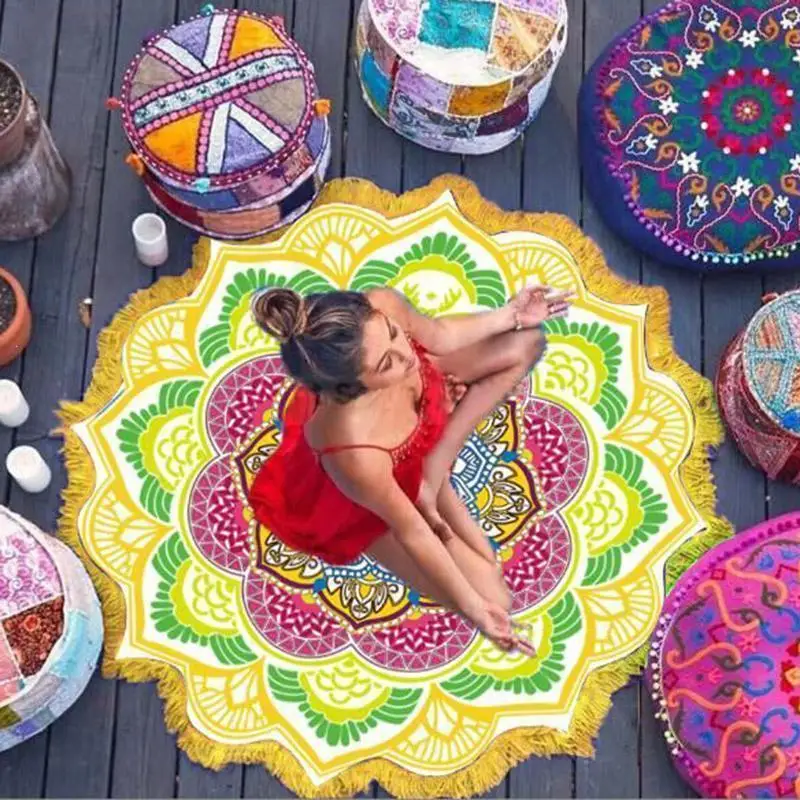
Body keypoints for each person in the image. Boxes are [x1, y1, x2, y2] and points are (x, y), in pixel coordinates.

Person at [248, 285, 572, 653]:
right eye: (386, 364)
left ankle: (433, 470)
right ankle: (427, 488)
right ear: (351, 389)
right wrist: (476, 610)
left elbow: (441, 335)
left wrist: (512, 314)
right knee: (494, 595)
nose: (406, 354)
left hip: (421, 429)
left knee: (525, 342)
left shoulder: (379, 306)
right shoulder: (351, 451)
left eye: (393, 333)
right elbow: (413, 531)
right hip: (363, 505)